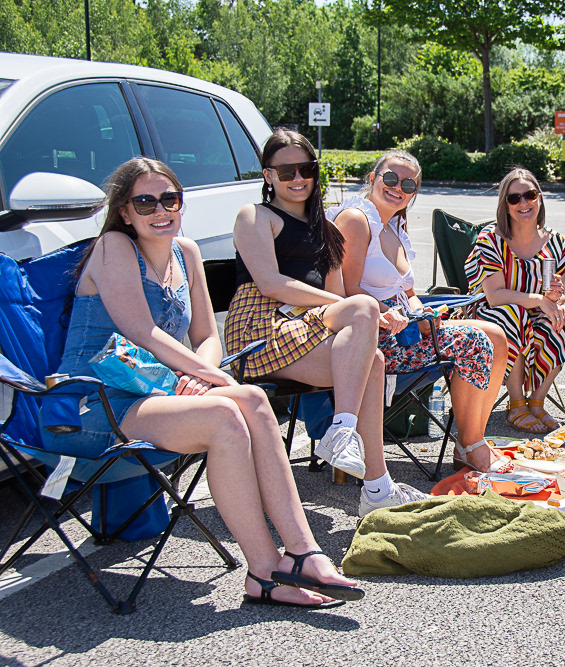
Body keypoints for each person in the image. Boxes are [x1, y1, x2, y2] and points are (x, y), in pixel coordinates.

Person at [42, 157, 360, 609]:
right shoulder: (114, 245)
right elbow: (140, 331)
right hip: (93, 400)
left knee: (250, 398)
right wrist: (202, 379)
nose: (159, 210)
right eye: (145, 201)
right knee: (225, 414)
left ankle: (303, 552)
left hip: (154, 392)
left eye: (169, 199)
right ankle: (265, 570)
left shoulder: (185, 252)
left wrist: (196, 376)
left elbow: (207, 335)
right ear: (125, 211)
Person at [225, 129, 427, 516]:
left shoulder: (324, 228)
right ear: (268, 176)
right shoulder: (256, 216)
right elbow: (271, 283)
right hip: (258, 329)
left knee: (376, 361)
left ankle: (375, 485)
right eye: (286, 172)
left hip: (303, 328)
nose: (297, 178)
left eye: (305, 169)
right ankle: (343, 434)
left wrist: (363, 313)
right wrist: (358, 308)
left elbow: (338, 296)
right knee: (364, 309)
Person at [330, 151, 510, 474]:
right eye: (390, 178)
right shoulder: (357, 221)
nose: (398, 187)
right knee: (474, 341)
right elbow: (347, 292)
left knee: (496, 335)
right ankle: (471, 447)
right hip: (377, 336)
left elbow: (409, 293)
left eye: (409, 183)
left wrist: (422, 312)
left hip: (409, 330)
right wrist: (402, 315)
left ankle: (471, 440)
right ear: (372, 179)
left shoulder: (394, 226)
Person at [465, 167, 565, 435]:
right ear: (505, 204)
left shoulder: (556, 242)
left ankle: (536, 402)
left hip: (533, 309)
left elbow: (554, 293)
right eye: (514, 199)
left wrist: (554, 298)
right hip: (491, 312)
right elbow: (494, 296)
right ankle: (516, 404)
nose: (523, 203)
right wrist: (539, 300)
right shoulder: (491, 239)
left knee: (564, 316)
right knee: (513, 313)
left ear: (539, 198)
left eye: (529, 195)